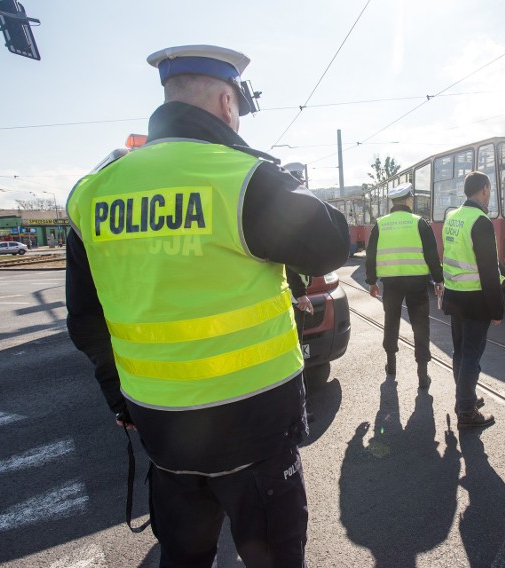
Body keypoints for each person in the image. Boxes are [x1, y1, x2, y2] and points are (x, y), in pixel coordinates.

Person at [65, 44, 350, 567]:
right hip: (255, 427)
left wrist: (119, 398)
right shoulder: (239, 178)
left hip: (160, 428)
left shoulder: (93, 193)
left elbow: (85, 320)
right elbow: (334, 242)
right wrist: (277, 177)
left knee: (184, 560)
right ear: (226, 102)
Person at [365, 182, 444, 388]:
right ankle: (422, 375)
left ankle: (391, 365)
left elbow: (370, 255)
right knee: (420, 326)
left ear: (393, 202)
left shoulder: (380, 224)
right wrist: (438, 279)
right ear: (408, 200)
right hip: (416, 283)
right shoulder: (419, 223)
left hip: (390, 284)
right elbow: (432, 255)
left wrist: (372, 281)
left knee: (391, 322)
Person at [441, 171, 503, 430]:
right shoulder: (480, 221)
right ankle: (466, 411)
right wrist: (497, 308)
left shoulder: (452, 216)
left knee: (460, 351)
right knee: (471, 356)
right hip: (476, 299)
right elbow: (488, 270)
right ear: (485, 189)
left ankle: (464, 399)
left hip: (455, 295)